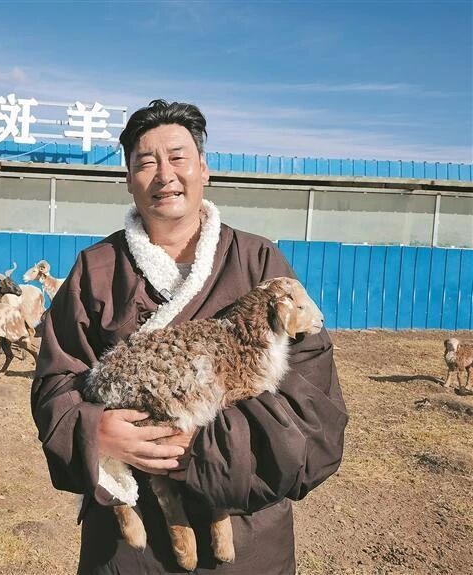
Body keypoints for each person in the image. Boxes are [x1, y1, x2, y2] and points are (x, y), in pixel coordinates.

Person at [31, 99, 348, 574]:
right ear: (128, 178)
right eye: (146, 162)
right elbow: (55, 383)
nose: (165, 175)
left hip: (246, 529)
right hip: (130, 544)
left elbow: (312, 406)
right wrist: (94, 431)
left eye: (178, 157)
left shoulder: (259, 263)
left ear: (204, 168)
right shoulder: (96, 270)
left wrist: (200, 447)